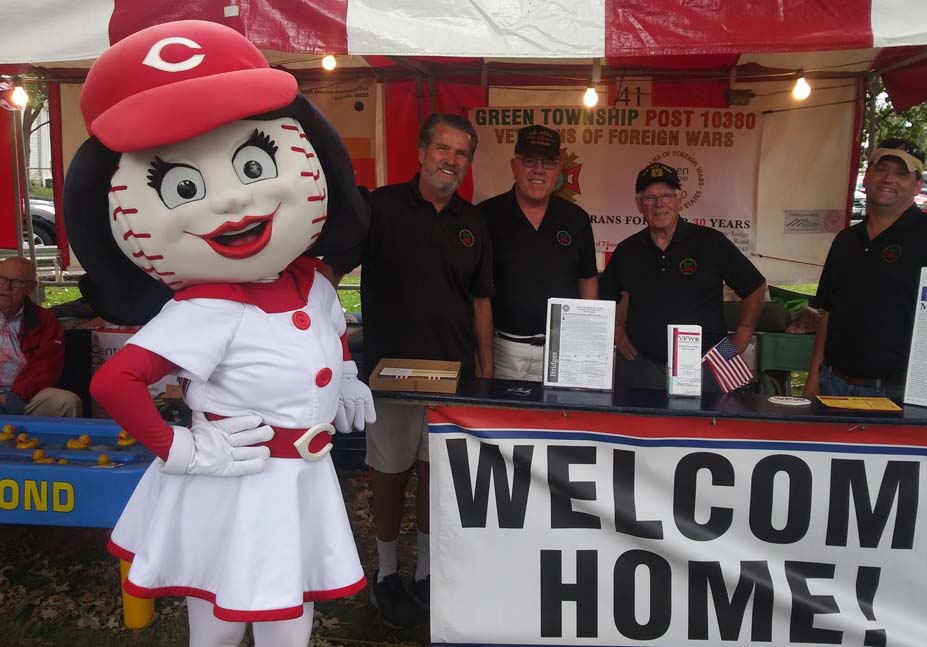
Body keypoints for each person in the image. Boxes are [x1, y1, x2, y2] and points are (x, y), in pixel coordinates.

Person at [65, 20, 374, 646]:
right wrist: (177, 448)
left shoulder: (312, 280)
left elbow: (329, 327)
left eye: (253, 165)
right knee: (222, 623)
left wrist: (341, 374)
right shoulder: (209, 306)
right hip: (238, 485)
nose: (234, 203)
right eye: (186, 187)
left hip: (299, 483)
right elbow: (117, 379)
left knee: (286, 619)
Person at [334, 113, 494, 628]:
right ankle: (385, 572)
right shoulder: (380, 206)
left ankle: (425, 572)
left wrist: (484, 371)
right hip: (390, 376)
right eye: (444, 150)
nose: (451, 161)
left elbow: (482, 301)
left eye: (461, 154)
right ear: (422, 153)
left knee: (434, 477)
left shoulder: (474, 222)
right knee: (388, 477)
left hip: (452, 376)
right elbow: (331, 273)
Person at [804, 138, 927, 400]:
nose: (889, 178)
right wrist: (813, 377)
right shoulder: (846, 239)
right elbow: (828, 312)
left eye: (901, 173)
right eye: (881, 169)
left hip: (900, 390)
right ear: (866, 177)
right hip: (833, 384)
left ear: (917, 185)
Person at [600, 162, 766, 391]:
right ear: (639, 204)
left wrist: (741, 338)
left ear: (680, 199)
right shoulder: (628, 250)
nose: (659, 204)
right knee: (642, 426)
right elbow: (605, 296)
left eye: (667, 196)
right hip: (644, 366)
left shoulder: (710, 242)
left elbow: (755, 286)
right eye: (650, 197)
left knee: (709, 426)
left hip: (707, 367)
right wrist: (617, 334)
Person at [478, 125, 598, 381]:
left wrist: (585, 345)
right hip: (503, 351)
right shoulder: (485, 216)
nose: (539, 170)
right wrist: (483, 357)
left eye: (548, 163)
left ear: (558, 170)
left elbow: (587, 279)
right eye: (529, 161)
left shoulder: (576, 219)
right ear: (514, 165)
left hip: (563, 352)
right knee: (502, 422)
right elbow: (477, 293)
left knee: (558, 422)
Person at [0, 256, 82, 416]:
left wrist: (13, 397)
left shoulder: (44, 320)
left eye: (16, 282)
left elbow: (45, 367)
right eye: (1, 279)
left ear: (31, 287)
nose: (6, 287)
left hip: (23, 394)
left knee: (66, 402)